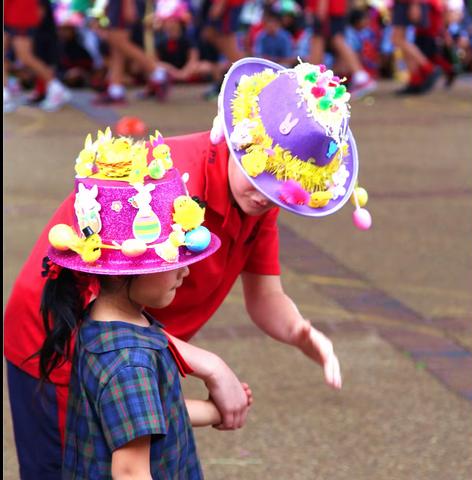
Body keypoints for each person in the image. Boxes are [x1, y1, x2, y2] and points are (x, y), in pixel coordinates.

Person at [5, 58, 371, 478]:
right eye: (261, 175)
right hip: (63, 344)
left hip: (141, 350)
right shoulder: (164, 183)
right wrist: (208, 364)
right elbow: (102, 315)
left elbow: (266, 296)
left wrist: (300, 332)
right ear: (238, 140)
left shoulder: (260, 197)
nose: (267, 196)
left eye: (283, 188)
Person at [32, 135, 252, 478]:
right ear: (128, 273)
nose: (186, 270)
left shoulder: (106, 324)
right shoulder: (129, 362)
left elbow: (143, 413)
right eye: (171, 261)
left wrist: (213, 412)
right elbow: (131, 473)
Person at [4, 0, 72, 112]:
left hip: (20, 13)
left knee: (25, 56)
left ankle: (56, 87)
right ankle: (4, 95)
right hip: (10, 12)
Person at [304, 0, 378, 98]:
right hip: (334, 9)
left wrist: (321, 8)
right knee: (329, 41)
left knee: (323, 41)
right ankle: (313, 82)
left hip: (327, 9)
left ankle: (311, 83)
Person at [390, 0, 443, 95]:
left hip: (408, 3)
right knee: (402, 40)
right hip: (405, 4)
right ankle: (415, 80)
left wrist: (415, 4)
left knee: (397, 39)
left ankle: (429, 68)